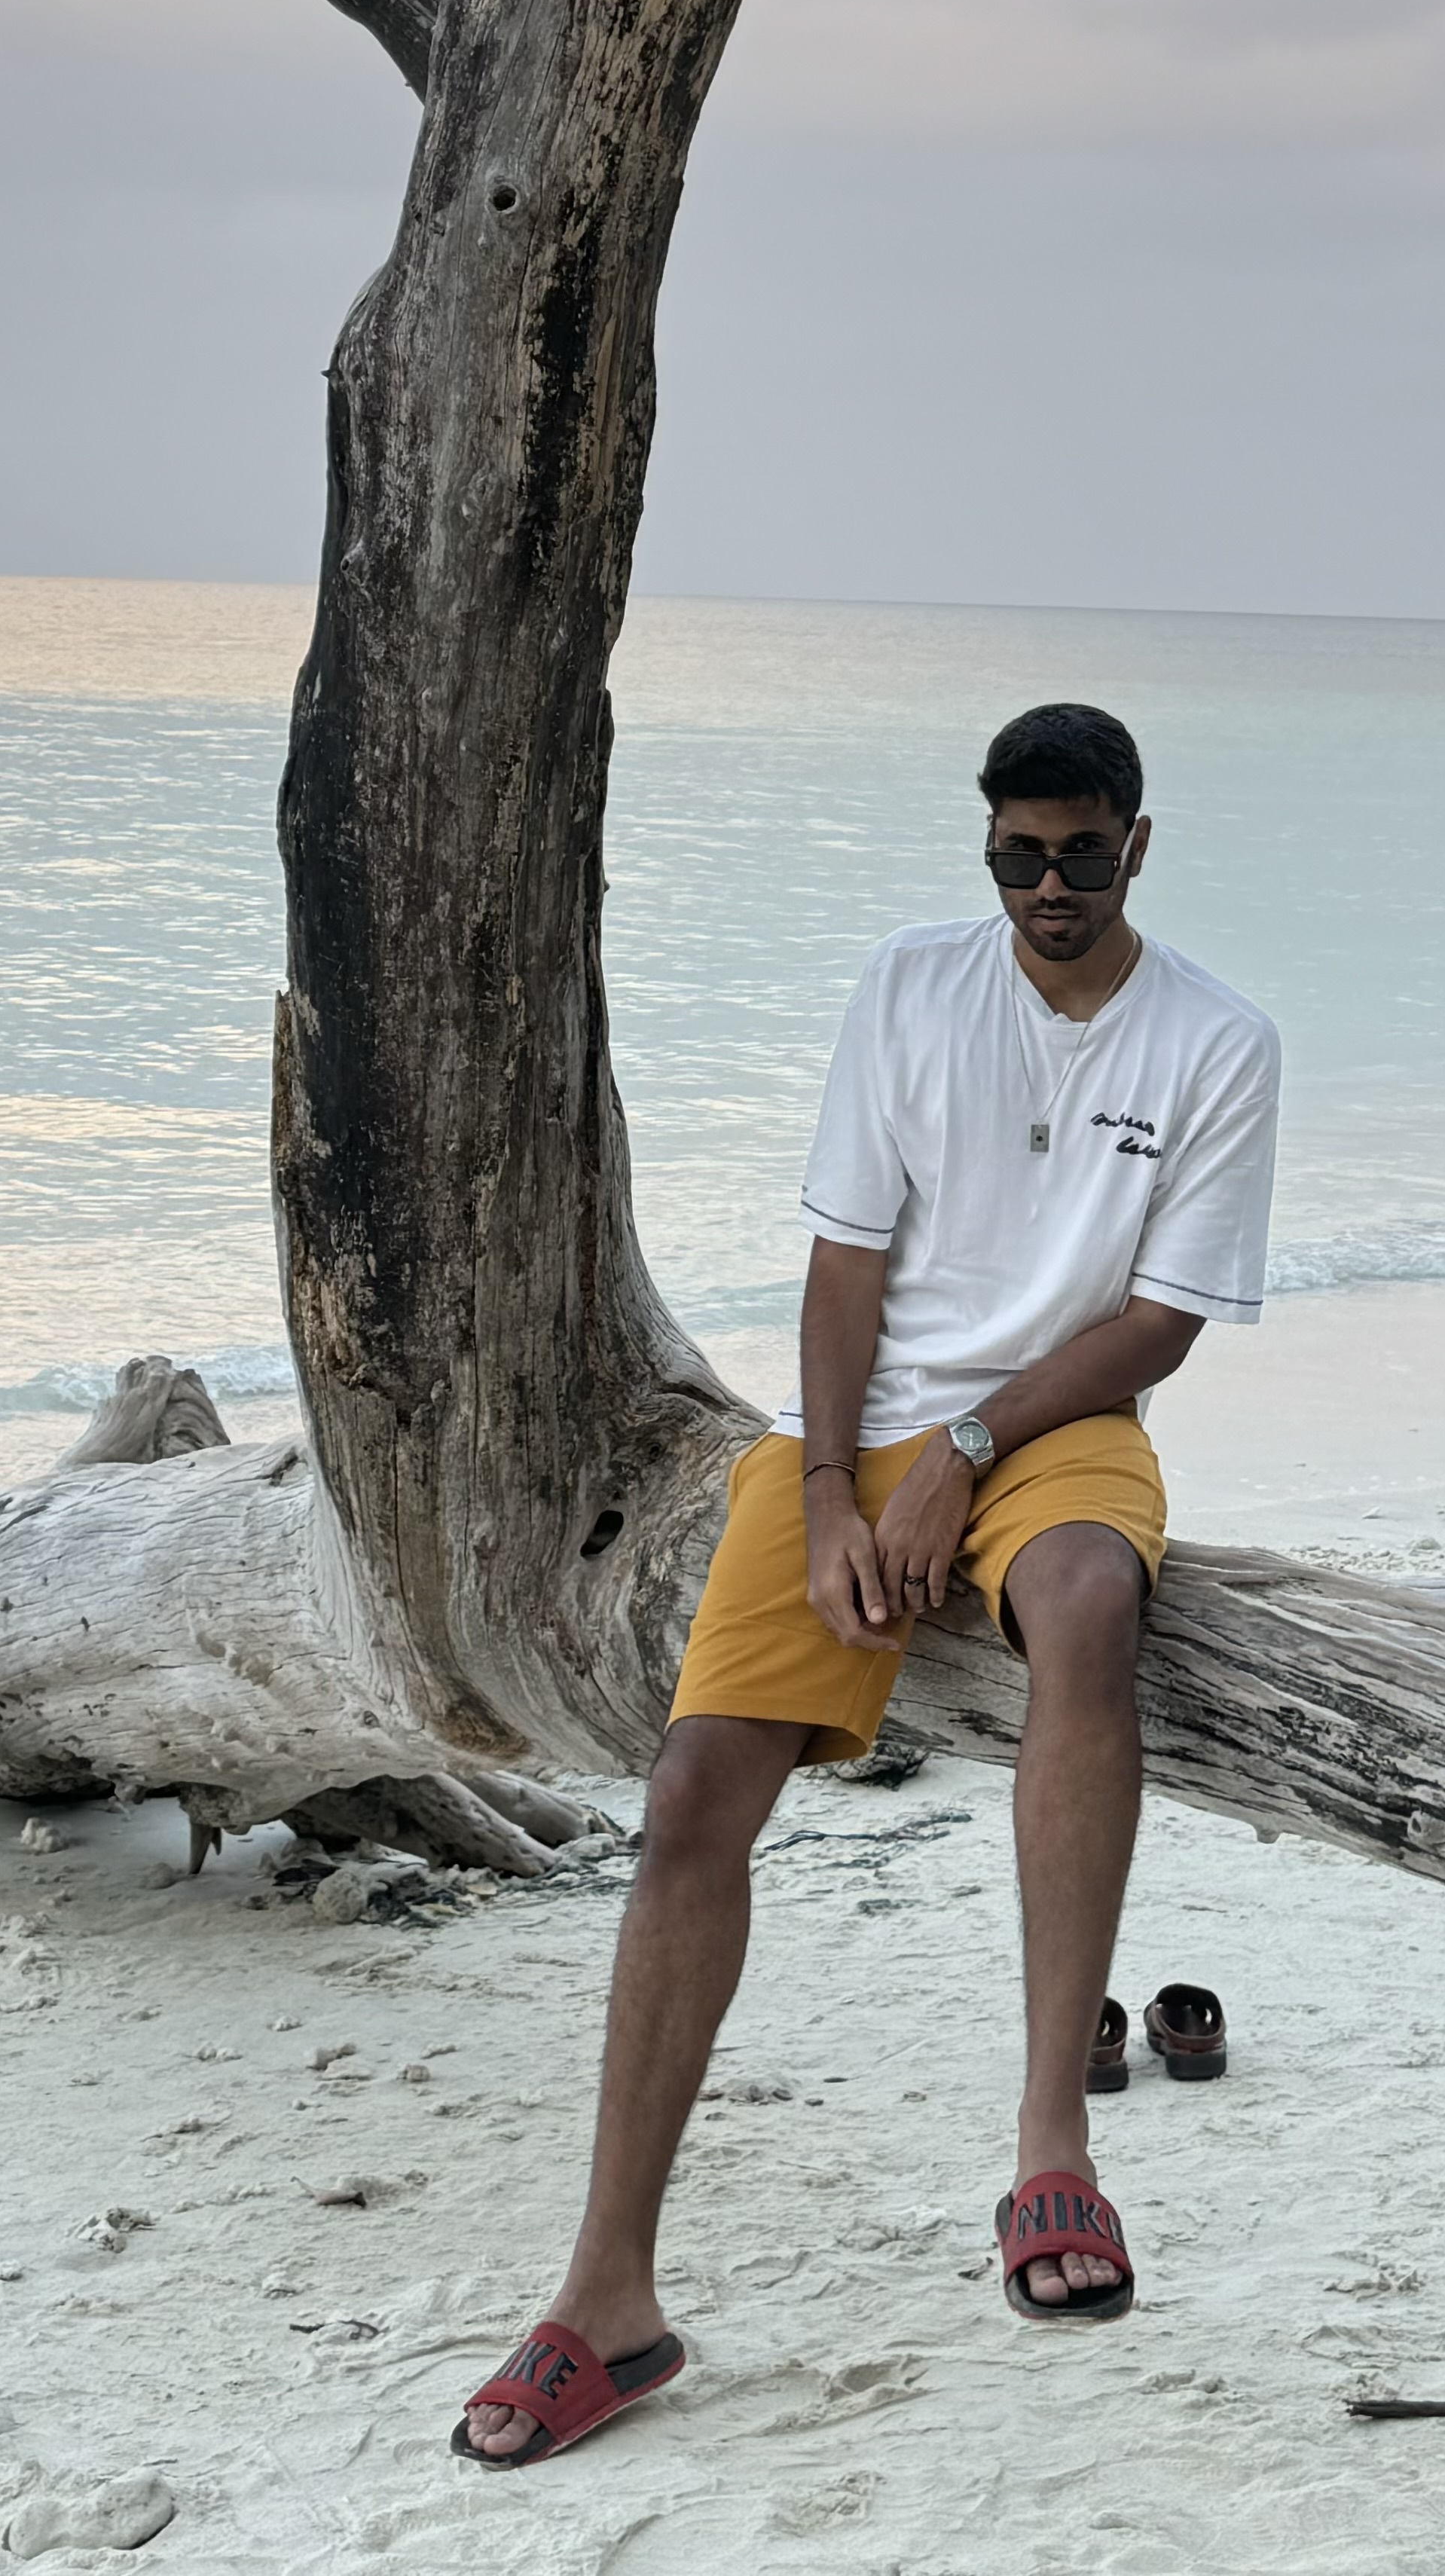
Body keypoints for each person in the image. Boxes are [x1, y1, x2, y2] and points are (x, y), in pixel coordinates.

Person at [454, 698, 1282, 2468]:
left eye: (1080, 853)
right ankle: (608, 2298)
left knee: (1087, 1605)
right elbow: (844, 1264)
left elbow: (1163, 1322)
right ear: (986, 845)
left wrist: (970, 1450)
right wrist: (835, 1491)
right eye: (1016, 854)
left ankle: (1053, 2147)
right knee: (693, 1797)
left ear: (1137, 846)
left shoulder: (1219, 1040)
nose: (1047, 885)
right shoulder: (911, 986)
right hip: (865, 1434)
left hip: (1058, 1428)